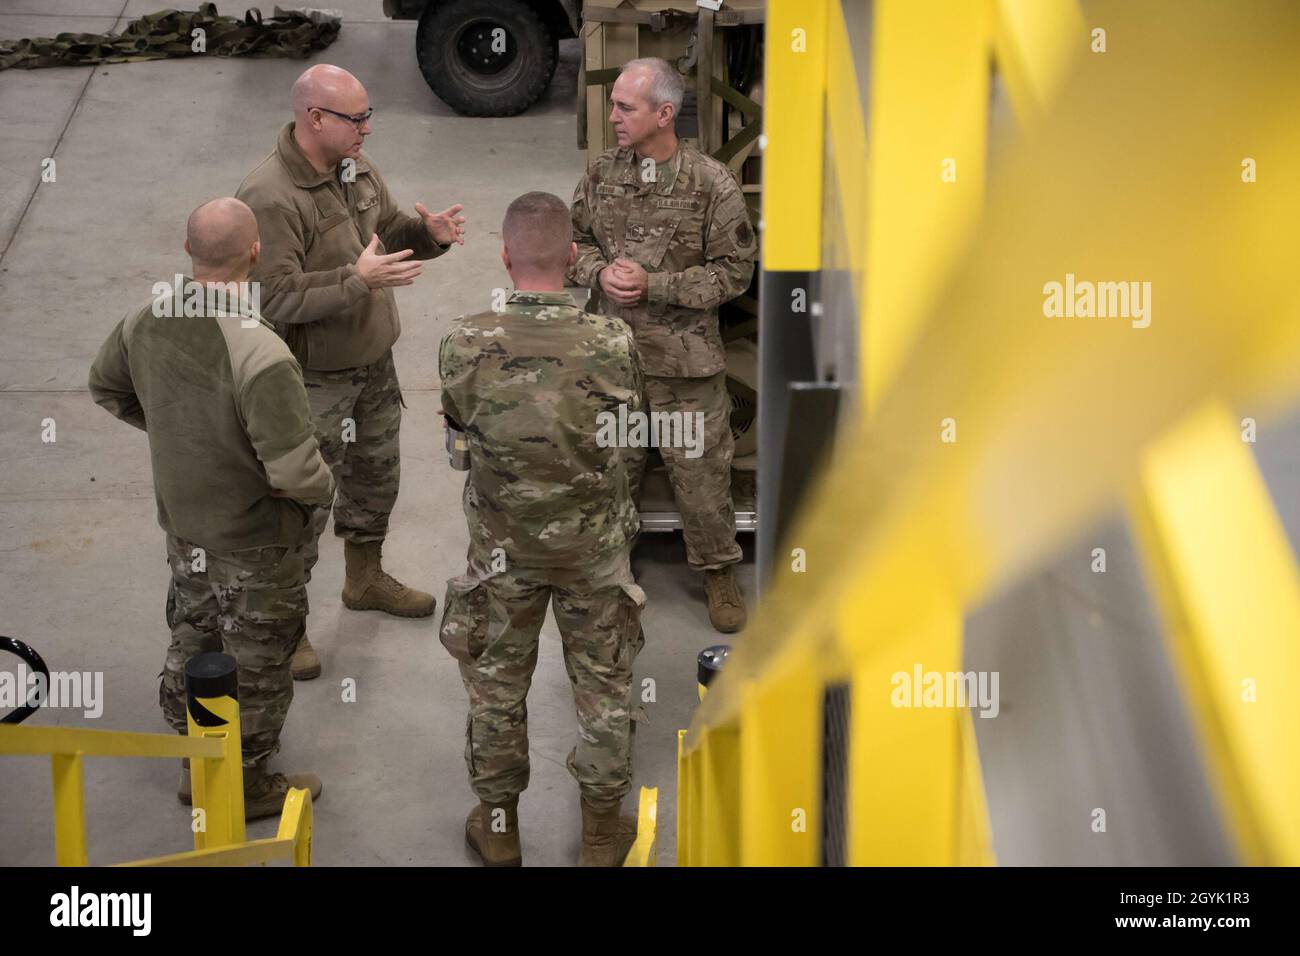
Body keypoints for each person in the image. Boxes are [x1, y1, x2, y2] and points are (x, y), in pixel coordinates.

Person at [88, 198, 333, 819]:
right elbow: (297, 473)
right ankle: (244, 784)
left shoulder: (145, 319)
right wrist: (313, 496)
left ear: (188, 250)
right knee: (256, 660)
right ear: (254, 252)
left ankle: (195, 765)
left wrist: (179, 437)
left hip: (186, 526)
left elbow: (106, 386)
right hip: (254, 539)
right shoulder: (260, 353)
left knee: (195, 639)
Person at [236, 64, 467, 680]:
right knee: (301, 505)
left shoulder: (355, 167)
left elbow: (388, 232)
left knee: (374, 481)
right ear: (315, 119)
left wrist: (430, 235)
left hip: (372, 364)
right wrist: (354, 282)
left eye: (368, 116)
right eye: (356, 118)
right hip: (311, 379)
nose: (367, 128)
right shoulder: (269, 196)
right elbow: (270, 297)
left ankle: (364, 580)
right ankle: (287, 630)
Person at [439, 192, 646, 867]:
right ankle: (598, 836)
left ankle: (499, 830)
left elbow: (458, 444)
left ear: (504, 256)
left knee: (497, 688)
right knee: (605, 692)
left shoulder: (465, 343)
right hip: (593, 551)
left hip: (504, 553)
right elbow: (628, 439)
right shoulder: (613, 342)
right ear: (574, 259)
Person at [570, 56, 757, 634]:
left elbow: (736, 272)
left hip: (685, 366)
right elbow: (571, 244)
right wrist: (598, 273)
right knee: (611, 473)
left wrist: (658, 284)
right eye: (616, 105)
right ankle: (612, 565)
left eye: (626, 107)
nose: (614, 115)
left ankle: (719, 571)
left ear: (665, 113)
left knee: (702, 481)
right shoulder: (602, 174)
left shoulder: (710, 185)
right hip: (614, 362)